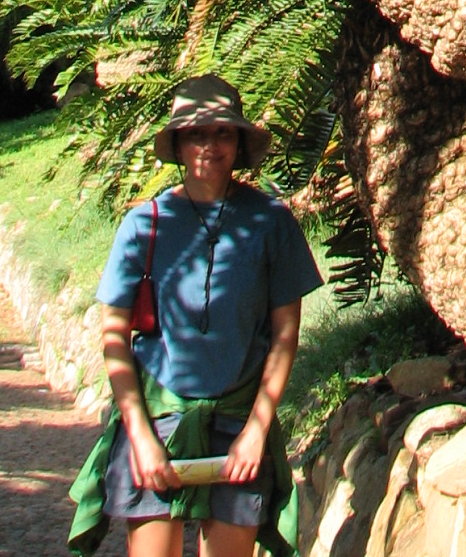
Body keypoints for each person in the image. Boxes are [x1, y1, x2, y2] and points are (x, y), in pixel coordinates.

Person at [69, 75, 322, 556]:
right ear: (179, 145)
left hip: (239, 424)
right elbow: (114, 335)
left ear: (240, 142)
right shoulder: (142, 225)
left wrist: (257, 431)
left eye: (223, 132)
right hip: (158, 420)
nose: (210, 145)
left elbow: (285, 336)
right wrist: (140, 437)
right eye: (196, 133)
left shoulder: (271, 223)